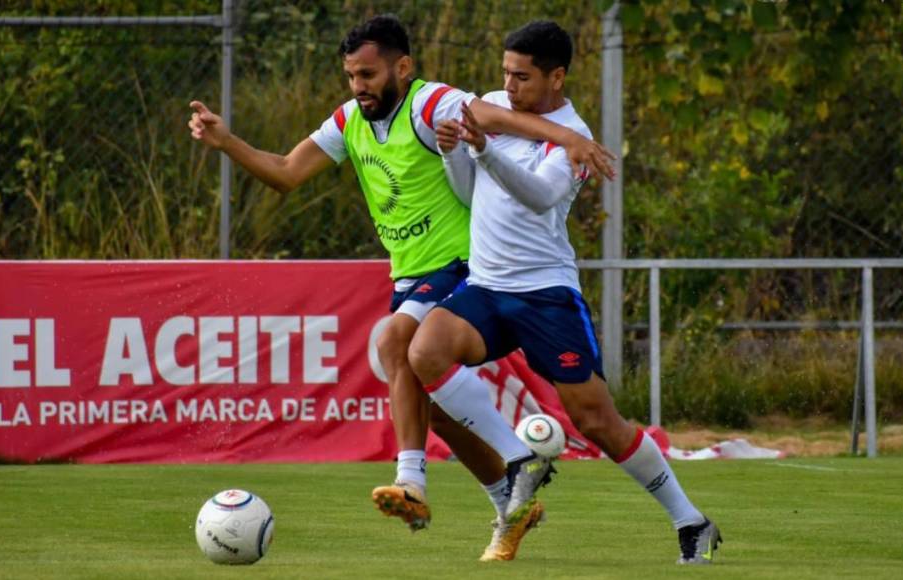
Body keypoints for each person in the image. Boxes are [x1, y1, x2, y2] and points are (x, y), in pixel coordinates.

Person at [187, 14, 614, 546]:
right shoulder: (349, 120)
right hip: (411, 274)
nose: (358, 86)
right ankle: (509, 497)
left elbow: (490, 115)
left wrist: (567, 136)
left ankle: (417, 479)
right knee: (437, 410)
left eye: (368, 74)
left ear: (402, 67)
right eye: (351, 76)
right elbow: (286, 173)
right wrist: (227, 141)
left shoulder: (428, 102)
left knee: (392, 340)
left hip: (461, 263)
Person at [408, 20, 723, 565]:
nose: (509, 87)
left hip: (545, 294)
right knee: (424, 351)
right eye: (505, 73)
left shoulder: (574, 134)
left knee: (597, 421)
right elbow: (468, 193)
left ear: (556, 77)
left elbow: (538, 196)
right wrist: (452, 152)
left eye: (522, 77)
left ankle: (691, 521)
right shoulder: (492, 108)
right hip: (486, 286)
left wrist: (483, 152)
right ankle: (519, 459)